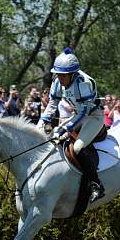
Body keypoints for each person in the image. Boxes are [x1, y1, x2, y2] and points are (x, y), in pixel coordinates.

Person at [36, 47, 105, 203]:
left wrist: (67, 130)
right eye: (58, 74)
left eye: (63, 76)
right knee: (53, 135)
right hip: (78, 114)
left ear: (73, 74)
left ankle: (96, 185)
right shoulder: (57, 82)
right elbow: (52, 104)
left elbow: (84, 113)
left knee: (78, 148)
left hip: (93, 117)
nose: (60, 79)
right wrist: (40, 124)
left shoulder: (83, 83)